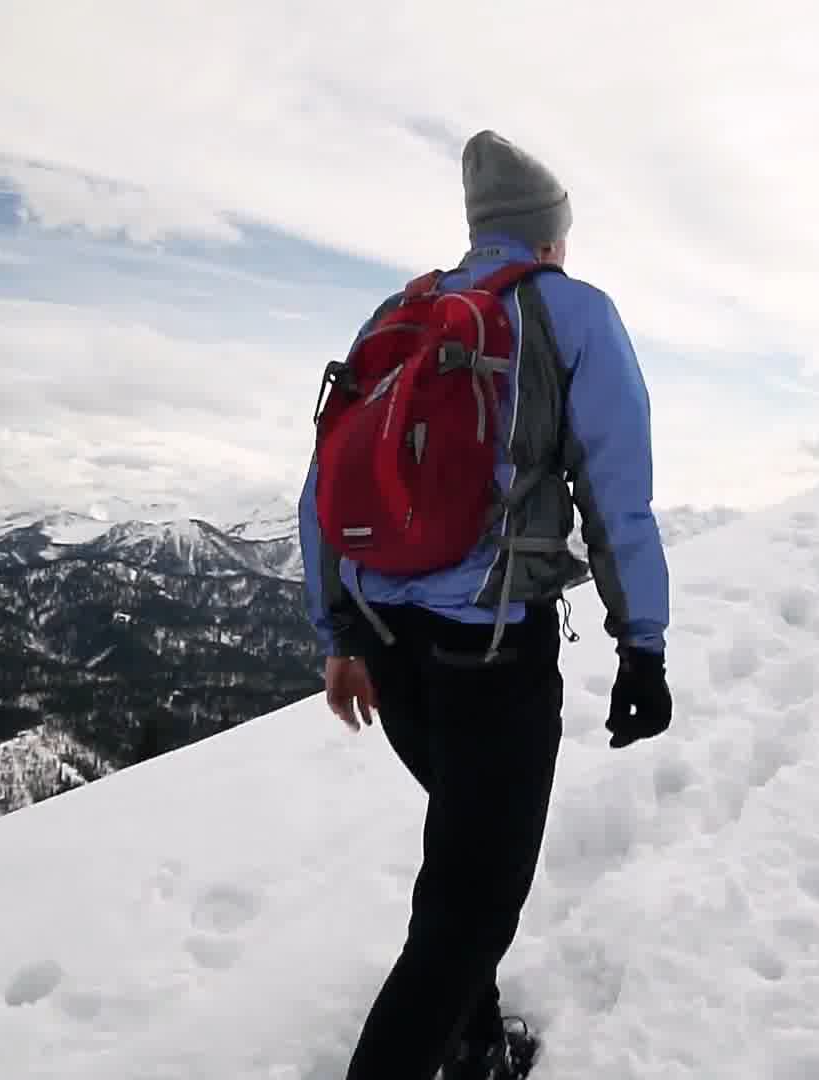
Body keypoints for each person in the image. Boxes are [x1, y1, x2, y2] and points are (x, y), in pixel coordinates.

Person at [298, 129, 674, 1080]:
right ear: (548, 237)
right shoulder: (570, 313)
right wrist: (643, 649)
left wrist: (339, 634)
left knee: (462, 866)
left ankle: (474, 1049)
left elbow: (323, 489)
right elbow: (616, 497)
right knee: (470, 906)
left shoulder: (400, 312)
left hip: (390, 648)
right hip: (491, 657)